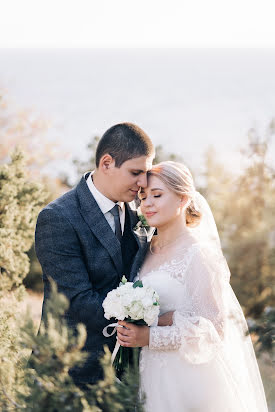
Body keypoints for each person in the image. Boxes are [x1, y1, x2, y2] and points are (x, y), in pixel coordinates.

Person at [117, 161, 268, 412]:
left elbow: (214, 329)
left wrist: (150, 335)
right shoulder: (145, 250)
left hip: (189, 378)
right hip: (151, 375)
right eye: (143, 197)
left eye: (157, 195)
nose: (148, 204)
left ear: (182, 199)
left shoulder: (199, 254)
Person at [35, 122, 155, 387]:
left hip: (133, 372)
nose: (143, 183)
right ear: (107, 163)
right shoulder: (58, 218)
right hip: (71, 372)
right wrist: (146, 322)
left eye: (146, 173)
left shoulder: (143, 209)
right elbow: (76, 300)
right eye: (136, 172)